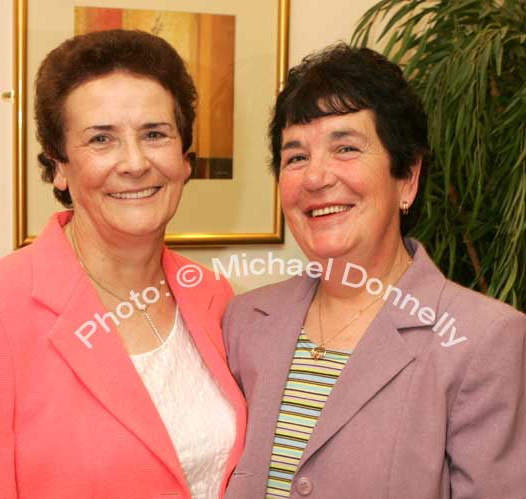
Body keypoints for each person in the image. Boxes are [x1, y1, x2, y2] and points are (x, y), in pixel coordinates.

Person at [0, 29, 246, 499]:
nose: (135, 162)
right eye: (102, 139)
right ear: (58, 166)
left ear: (184, 160)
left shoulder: (213, 295)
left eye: (155, 134)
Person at [223, 44, 526, 499]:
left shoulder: (483, 340)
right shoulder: (243, 321)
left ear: (407, 178)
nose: (315, 177)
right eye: (296, 157)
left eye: (346, 147)